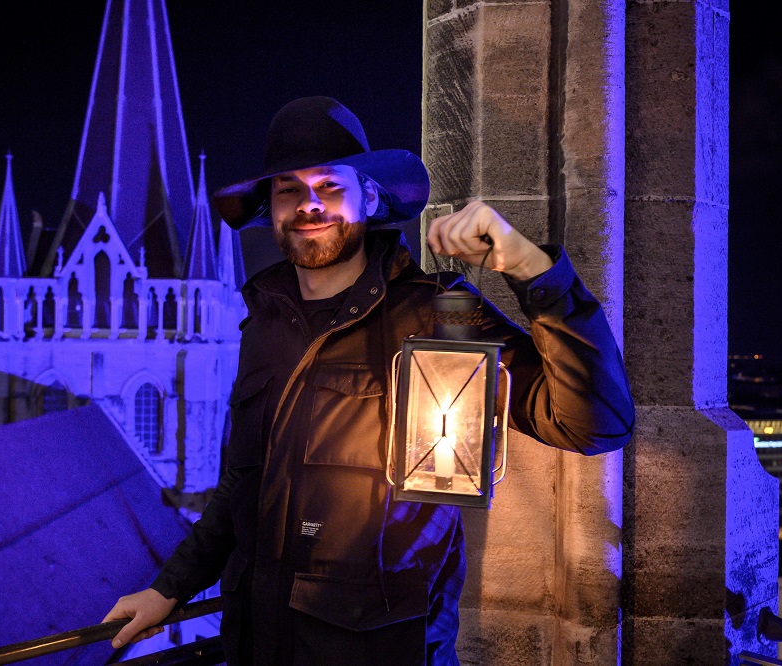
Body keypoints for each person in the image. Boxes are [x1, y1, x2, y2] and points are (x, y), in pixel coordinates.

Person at [103, 96, 634, 665]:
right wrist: (169, 589)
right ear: (270, 209)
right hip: (257, 647)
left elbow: (596, 423)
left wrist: (532, 268)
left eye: (330, 185)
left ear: (371, 197)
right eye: (289, 188)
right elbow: (243, 485)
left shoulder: (439, 315)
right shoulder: (263, 321)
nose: (309, 203)